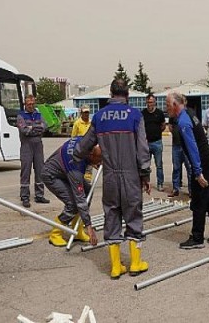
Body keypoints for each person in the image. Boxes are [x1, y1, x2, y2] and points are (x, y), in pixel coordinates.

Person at [74, 79, 151, 280]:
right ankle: (135, 263)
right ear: (126, 94)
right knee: (133, 215)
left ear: (110, 94)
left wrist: (75, 157)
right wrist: (145, 174)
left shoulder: (99, 117)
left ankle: (116, 267)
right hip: (131, 176)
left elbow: (83, 146)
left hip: (109, 177)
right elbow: (143, 148)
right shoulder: (135, 115)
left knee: (112, 216)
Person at [166, 92, 209, 249]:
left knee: (199, 200)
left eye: (167, 105)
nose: (166, 109)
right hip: (206, 160)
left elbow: (193, 148)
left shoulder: (183, 122)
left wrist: (198, 172)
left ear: (175, 105)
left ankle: (197, 237)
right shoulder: (189, 113)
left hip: (203, 162)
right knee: (208, 197)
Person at [43, 136, 101, 247]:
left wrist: (92, 162)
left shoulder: (83, 142)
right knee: (74, 204)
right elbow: (80, 198)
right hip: (52, 175)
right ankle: (56, 233)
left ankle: (77, 230)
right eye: (99, 160)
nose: (100, 163)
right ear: (91, 155)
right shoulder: (76, 168)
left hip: (63, 170)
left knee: (88, 190)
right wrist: (89, 226)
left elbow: (88, 156)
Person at [17, 94, 49, 208]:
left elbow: (45, 126)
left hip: (38, 146)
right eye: (28, 104)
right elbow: (24, 130)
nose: (31, 106)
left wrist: (33, 128)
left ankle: (39, 195)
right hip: (26, 146)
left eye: (32, 104)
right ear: (25, 104)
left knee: (40, 170)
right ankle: (25, 197)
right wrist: (36, 128)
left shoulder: (39, 114)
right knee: (26, 172)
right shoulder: (20, 116)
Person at [142, 94, 166, 191]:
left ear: (155, 102)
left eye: (151, 102)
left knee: (159, 165)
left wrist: (156, 133)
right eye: (148, 102)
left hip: (157, 143)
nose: (149, 104)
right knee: (145, 166)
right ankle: (145, 184)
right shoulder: (143, 113)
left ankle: (160, 184)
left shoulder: (159, 113)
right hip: (146, 143)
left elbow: (163, 126)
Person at [168, 114, 192, 197]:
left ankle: (191, 190)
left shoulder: (187, 114)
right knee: (176, 168)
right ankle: (176, 189)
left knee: (189, 168)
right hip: (176, 145)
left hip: (186, 146)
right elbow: (170, 127)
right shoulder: (172, 116)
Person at [71, 105, 94, 181]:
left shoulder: (92, 122)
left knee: (89, 166)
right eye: (85, 112)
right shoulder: (77, 123)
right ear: (81, 113)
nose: (86, 114)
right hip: (80, 149)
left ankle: (87, 182)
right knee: (80, 166)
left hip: (90, 148)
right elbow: (73, 137)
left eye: (87, 112)